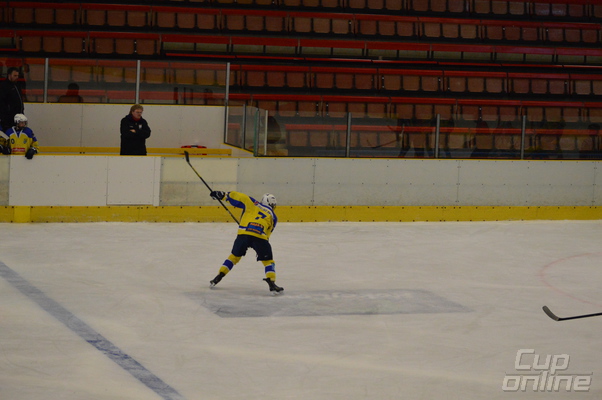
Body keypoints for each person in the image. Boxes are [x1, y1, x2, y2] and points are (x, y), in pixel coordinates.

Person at [208, 190, 283, 294]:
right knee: (268, 261)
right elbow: (268, 233)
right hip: (260, 237)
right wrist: (263, 247)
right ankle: (272, 282)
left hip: (244, 234)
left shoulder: (253, 203)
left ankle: (219, 276)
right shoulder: (273, 216)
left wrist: (224, 196)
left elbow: (241, 197)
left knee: (234, 257)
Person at [0, 67, 25, 132]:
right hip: (8, 119)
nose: (17, 77)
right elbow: (2, 103)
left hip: (18, 117)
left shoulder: (17, 85)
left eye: (17, 76)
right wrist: (5, 117)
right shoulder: (3, 86)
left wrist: (21, 112)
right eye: (15, 75)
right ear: (9, 75)